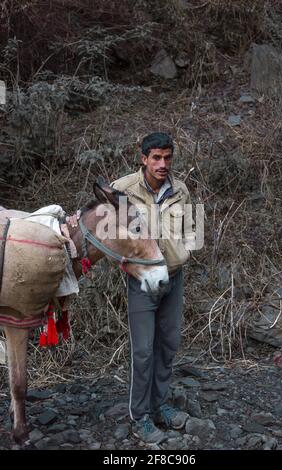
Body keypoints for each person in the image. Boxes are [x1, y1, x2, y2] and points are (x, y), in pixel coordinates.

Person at [68, 132, 196, 444]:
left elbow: (193, 229)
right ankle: (140, 416)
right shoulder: (123, 189)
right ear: (144, 158)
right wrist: (76, 226)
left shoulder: (181, 190)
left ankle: (160, 405)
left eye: (167, 157)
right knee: (143, 350)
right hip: (142, 279)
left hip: (173, 278)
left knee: (167, 345)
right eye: (156, 157)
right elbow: (96, 217)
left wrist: (184, 252)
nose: (162, 164)